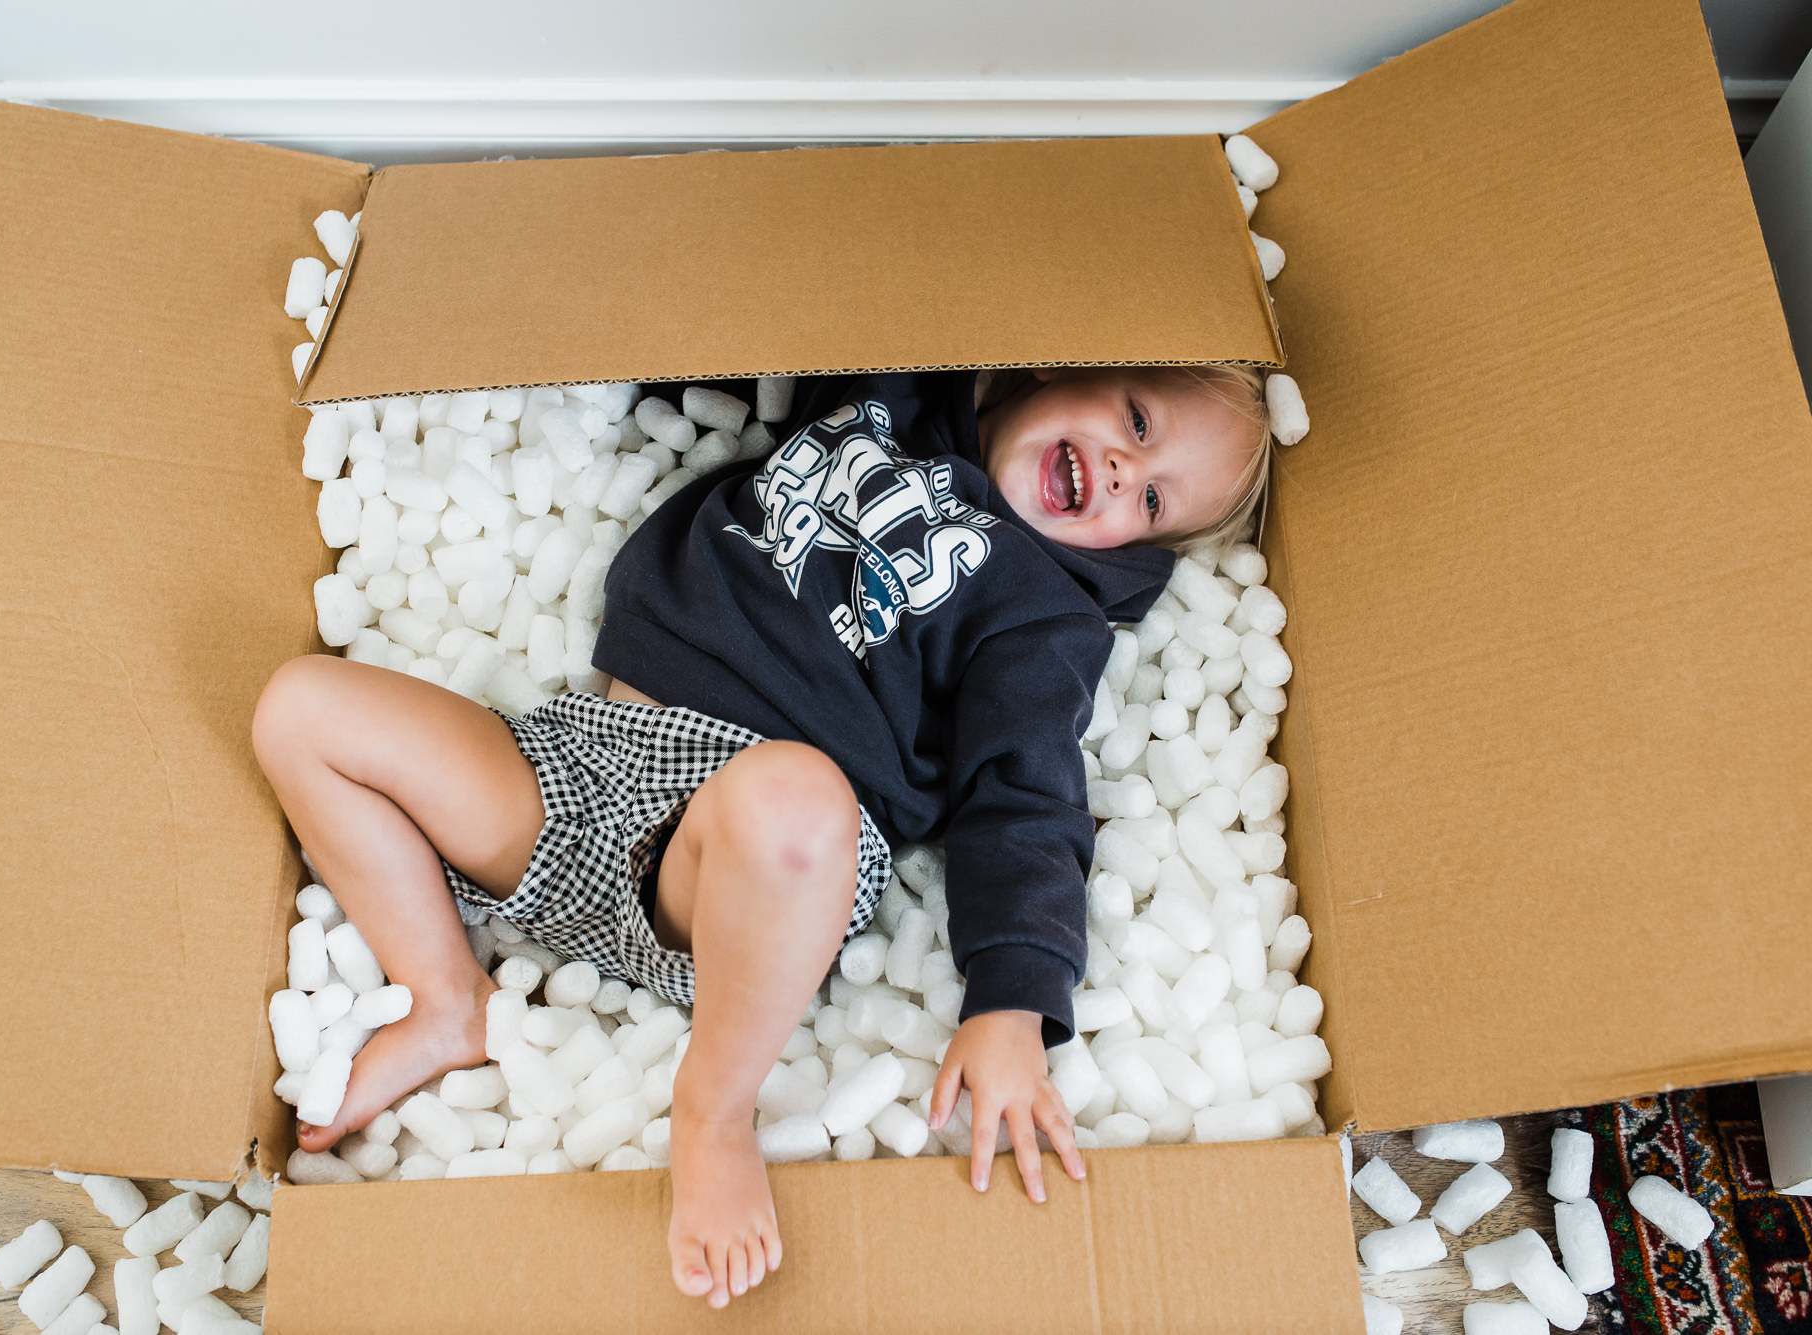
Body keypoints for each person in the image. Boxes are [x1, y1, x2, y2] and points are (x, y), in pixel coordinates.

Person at [251, 363, 1273, 1309]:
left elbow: (1024, 795)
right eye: (1135, 420)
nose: (1120, 470)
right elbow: (750, 328)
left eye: (1150, 504)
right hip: (586, 766)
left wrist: (1012, 1002)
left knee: (791, 796)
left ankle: (713, 1111)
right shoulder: (894, 387)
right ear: (1064, 364)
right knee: (300, 708)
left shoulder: (1042, 617)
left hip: (752, 871)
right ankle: (443, 998)